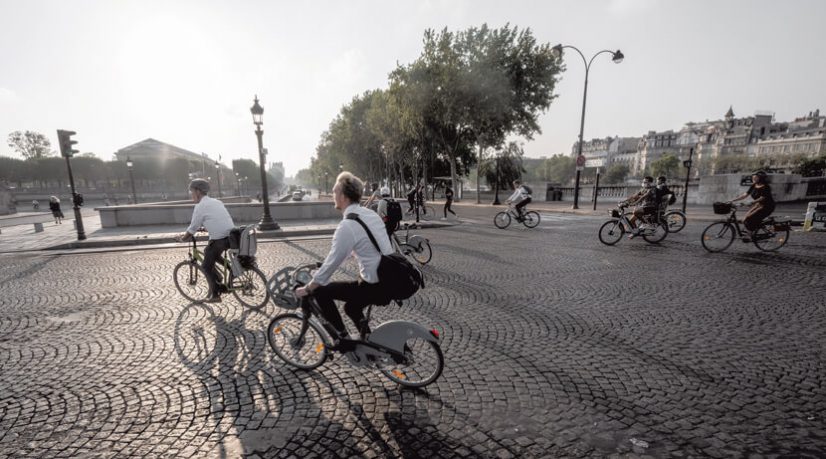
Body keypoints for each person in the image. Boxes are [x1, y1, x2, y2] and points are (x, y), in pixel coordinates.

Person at [295, 172, 394, 343]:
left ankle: (342, 338)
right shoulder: (369, 214)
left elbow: (334, 261)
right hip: (388, 278)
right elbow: (354, 249)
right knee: (351, 308)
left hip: (374, 284)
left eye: (334, 191)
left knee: (321, 291)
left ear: (343, 196)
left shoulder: (347, 225)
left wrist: (309, 287)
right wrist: (325, 267)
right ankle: (368, 342)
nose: (333, 195)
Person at [176, 179, 236, 303]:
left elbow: (192, 228)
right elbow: (216, 218)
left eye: (192, 192)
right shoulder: (217, 202)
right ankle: (230, 271)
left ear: (198, 191)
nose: (191, 195)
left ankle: (215, 295)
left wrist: (183, 238)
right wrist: (206, 226)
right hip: (230, 237)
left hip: (219, 240)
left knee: (206, 266)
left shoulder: (200, 206)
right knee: (210, 252)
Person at [730, 170, 775, 241]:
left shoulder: (765, 187)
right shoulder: (754, 185)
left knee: (749, 218)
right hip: (759, 205)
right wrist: (733, 200)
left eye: (755, 178)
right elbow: (745, 195)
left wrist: (751, 202)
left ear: (761, 178)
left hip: (767, 206)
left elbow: (762, 198)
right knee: (744, 219)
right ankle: (754, 231)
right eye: (753, 178)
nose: (753, 179)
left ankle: (750, 236)